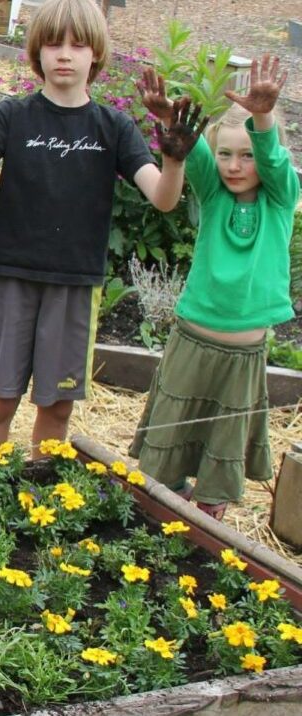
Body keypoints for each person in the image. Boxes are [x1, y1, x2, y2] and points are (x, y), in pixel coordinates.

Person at [0, 0, 207, 459]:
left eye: (78, 44)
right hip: (15, 275)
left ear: (95, 55)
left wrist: (174, 159)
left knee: (57, 406)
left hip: (75, 283)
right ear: (36, 52)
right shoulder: (13, 116)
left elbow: (162, 197)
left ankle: (39, 498)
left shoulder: (113, 126)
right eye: (53, 43)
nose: (65, 54)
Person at [129, 57, 297, 521]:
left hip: (242, 357)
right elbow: (189, 153)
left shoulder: (282, 197)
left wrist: (262, 117)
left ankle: (206, 528)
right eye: (226, 153)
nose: (234, 165)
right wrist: (166, 118)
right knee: (171, 440)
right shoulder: (214, 192)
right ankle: (163, 516)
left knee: (222, 447)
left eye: (247, 155)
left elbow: (275, 164)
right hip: (192, 340)